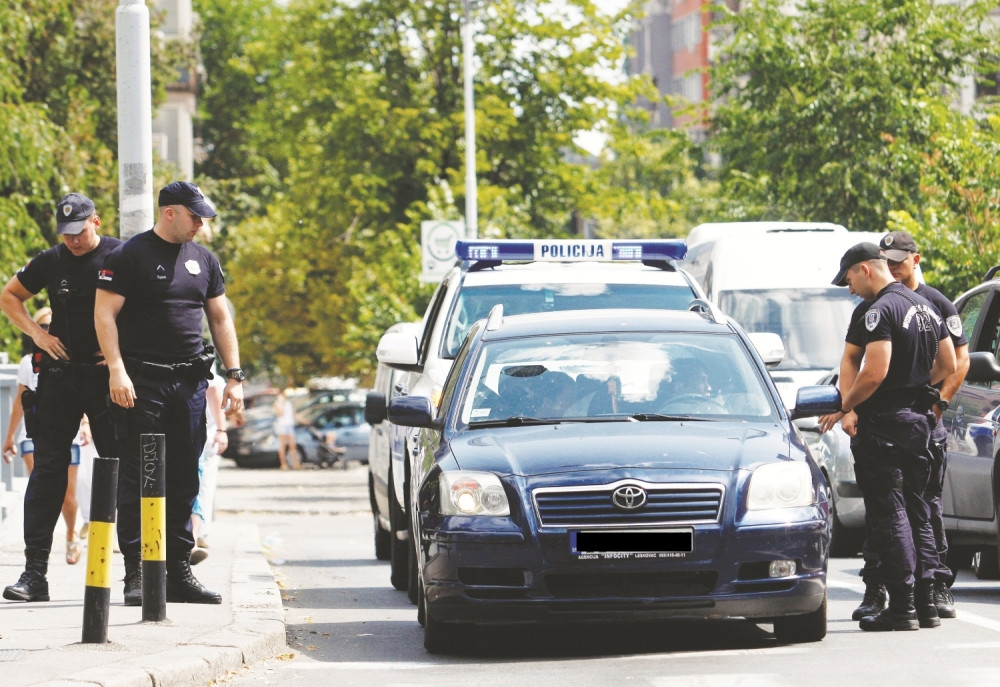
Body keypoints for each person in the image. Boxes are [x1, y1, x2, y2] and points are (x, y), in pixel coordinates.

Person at [94, 180, 244, 606]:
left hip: (190, 383)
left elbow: (220, 319)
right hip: (141, 383)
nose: (201, 223)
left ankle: (177, 570)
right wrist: (117, 371)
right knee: (138, 476)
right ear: (170, 212)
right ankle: (137, 573)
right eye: (195, 215)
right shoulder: (127, 255)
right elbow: (104, 315)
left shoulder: (204, 260)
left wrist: (234, 377)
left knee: (183, 476)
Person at [821, 242, 956, 632]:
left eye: (849, 280)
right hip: (918, 423)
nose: (849, 290)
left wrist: (847, 404)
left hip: (886, 426)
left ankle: (901, 608)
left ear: (865, 269)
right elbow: (947, 364)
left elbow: (874, 370)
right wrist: (912, 384)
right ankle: (926, 605)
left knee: (889, 513)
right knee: (919, 512)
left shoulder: (879, 310)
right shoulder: (926, 306)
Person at [1, 194, 121, 602]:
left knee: (123, 470)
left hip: (107, 378)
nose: (73, 240)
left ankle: (139, 573)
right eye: (66, 234)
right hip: (61, 376)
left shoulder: (122, 255)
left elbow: (148, 309)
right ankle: (35, 574)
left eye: (80, 231)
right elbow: (9, 296)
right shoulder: (50, 260)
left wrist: (122, 356)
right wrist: (38, 335)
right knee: (48, 472)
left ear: (97, 222)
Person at [880, 230, 970, 618]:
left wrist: (938, 403)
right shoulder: (882, 303)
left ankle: (937, 586)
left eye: (899, 262)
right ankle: (889, 587)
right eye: (888, 263)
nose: (894, 269)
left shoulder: (936, 303)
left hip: (925, 418)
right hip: (893, 419)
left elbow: (960, 361)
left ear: (916, 260)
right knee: (892, 504)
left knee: (928, 503)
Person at [2, 308, 89, 567]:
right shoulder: (28, 362)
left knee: (67, 495)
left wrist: (85, 423)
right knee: (42, 488)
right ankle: (40, 548)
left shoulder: (73, 356)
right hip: (34, 431)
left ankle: (72, 534)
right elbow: (20, 400)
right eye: (43, 325)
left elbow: (84, 394)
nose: (49, 329)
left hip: (68, 432)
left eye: (52, 324)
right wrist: (9, 437)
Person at [190, 372, 228, 564]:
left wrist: (221, 429)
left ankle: (194, 538)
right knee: (197, 485)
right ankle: (194, 538)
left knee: (197, 485)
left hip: (199, 433)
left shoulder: (195, 349)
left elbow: (214, 389)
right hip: (195, 433)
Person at [272, 387, 301, 470]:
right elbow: (280, 414)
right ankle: (283, 464)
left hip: (290, 425)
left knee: (293, 445)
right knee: (283, 445)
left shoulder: (289, 403)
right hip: (282, 425)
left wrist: (304, 421)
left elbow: (294, 414)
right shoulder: (277, 403)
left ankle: (296, 464)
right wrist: (282, 405)